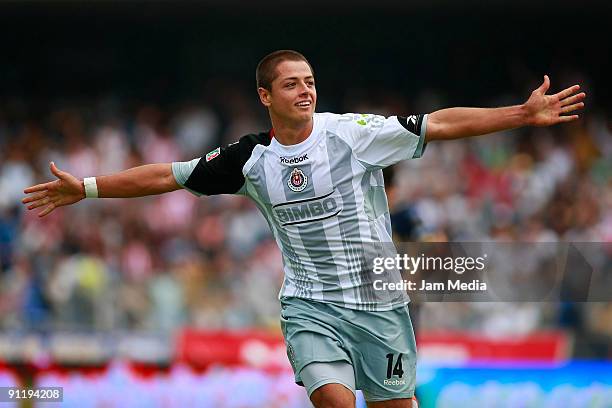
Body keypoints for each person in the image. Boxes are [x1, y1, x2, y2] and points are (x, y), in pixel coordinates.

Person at [22, 50, 585, 407]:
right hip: (310, 305)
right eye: (292, 84)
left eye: (310, 81)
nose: (306, 91)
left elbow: (437, 124)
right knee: (335, 402)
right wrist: (88, 187)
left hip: (379, 304)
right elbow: (167, 176)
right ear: (267, 97)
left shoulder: (352, 134)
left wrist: (518, 113)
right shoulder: (249, 159)